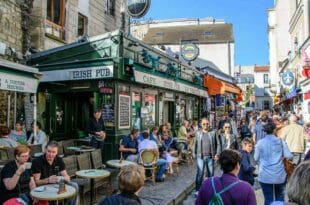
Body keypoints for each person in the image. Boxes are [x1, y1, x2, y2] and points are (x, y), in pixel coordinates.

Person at [254, 123, 293, 205]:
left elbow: (255, 158)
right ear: (274, 130)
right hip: (280, 175)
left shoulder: (260, 143)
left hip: (265, 175)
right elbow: (289, 156)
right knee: (280, 198)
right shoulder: (280, 141)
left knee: (268, 199)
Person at [31, 141, 78, 205]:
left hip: (56, 184)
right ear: (45, 150)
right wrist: (48, 180)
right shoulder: (37, 161)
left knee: (74, 185)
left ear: (57, 152)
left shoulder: (59, 160)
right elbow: (36, 182)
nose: (51, 154)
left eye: (53, 152)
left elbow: (65, 175)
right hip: (43, 186)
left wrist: (66, 178)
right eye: (49, 151)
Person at [192, 117, 217, 194]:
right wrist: (194, 153)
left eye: (207, 124)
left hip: (210, 156)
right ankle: (198, 190)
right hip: (201, 156)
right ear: (201, 124)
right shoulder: (198, 133)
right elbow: (195, 144)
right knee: (200, 173)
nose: (206, 125)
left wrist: (217, 154)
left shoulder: (213, 132)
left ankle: (210, 190)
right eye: (204, 124)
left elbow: (218, 144)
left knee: (211, 174)